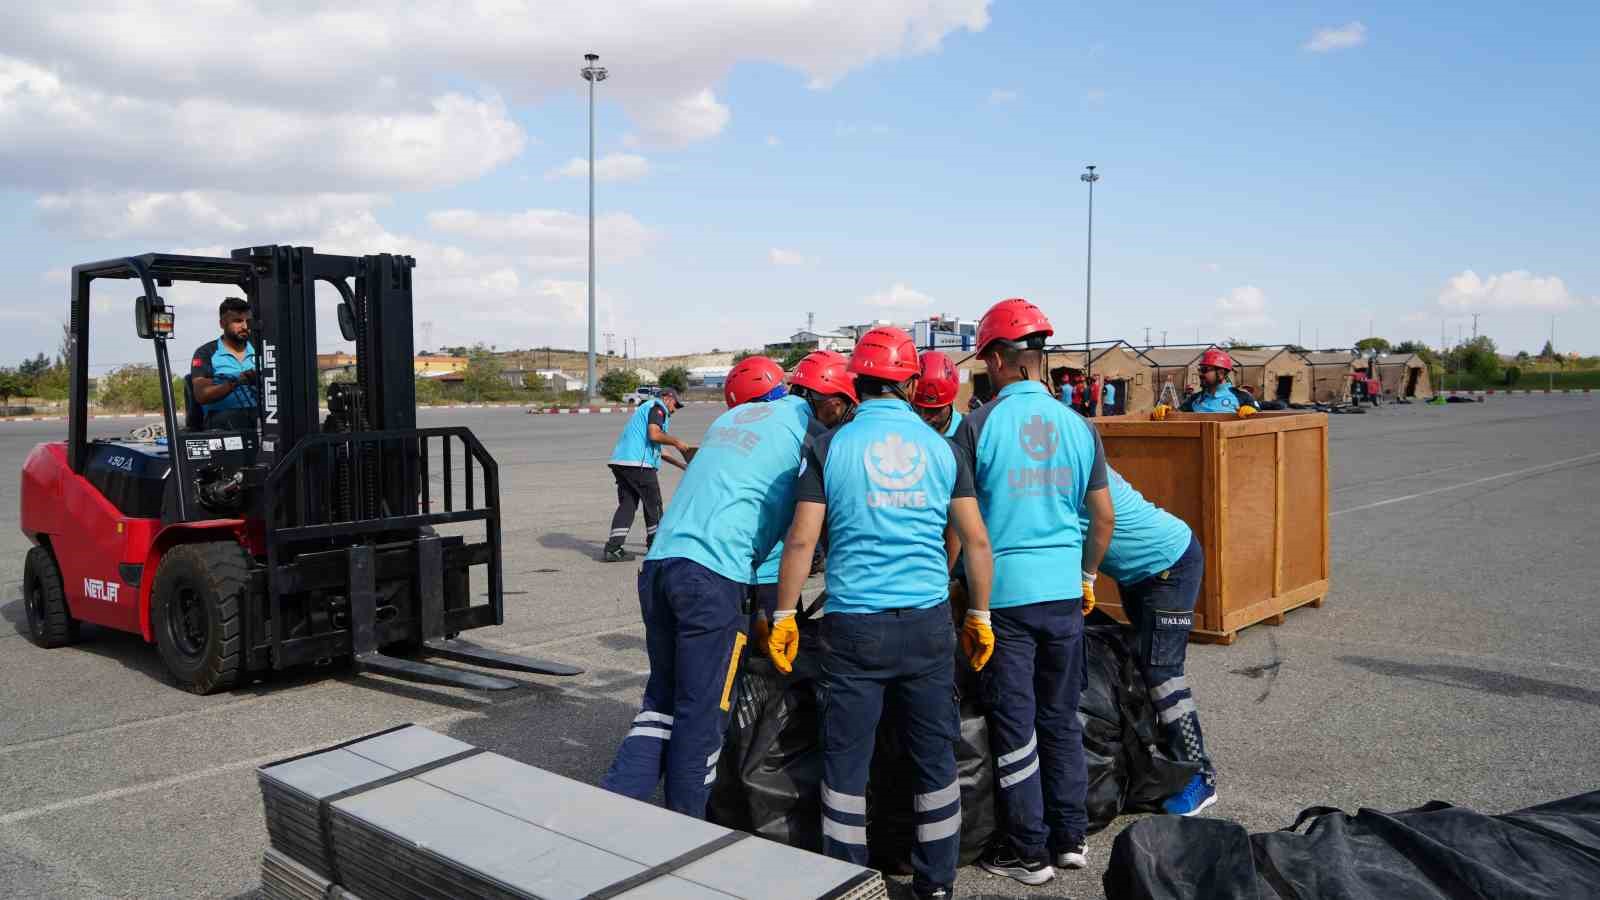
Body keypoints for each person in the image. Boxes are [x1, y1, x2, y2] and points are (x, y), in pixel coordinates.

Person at [766, 327, 996, 900]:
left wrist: (784, 615)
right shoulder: (942, 449)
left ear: (856, 381)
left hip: (853, 629)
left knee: (846, 765)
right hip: (926, 625)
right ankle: (935, 883)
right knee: (934, 761)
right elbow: (975, 540)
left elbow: (801, 542)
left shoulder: (828, 447)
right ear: (912, 383)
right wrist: (981, 616)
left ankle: (846, 882)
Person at [600, 356, 811, 819]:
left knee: (661, 701)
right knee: (703, 712)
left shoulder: (728, 421)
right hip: (713, 577)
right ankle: (687, 832)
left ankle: (607, 818)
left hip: (660, 567)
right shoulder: (807, 423)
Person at [951, 297, 1115, 885]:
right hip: (1064, 595)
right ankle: (1069, 838)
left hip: (1005, 598)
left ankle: (1028, 851)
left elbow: (963, 528)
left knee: (1015, 723)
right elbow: (1102, 520)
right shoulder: (1079, 425)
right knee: (1061, 716)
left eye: (984, 362)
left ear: (999, 358)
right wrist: (1087, 576)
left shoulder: (977, 425)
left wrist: (968, 600)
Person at [1087, 466, 1218, 816]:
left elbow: (1102, 521)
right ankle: (1153, 761)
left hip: (1169, 566)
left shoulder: (1068, 459)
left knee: (1162, 674)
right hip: (1136, 574)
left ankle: (1199, 775)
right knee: (1136, 661)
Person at [749, 349, 858, 635]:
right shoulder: (814, 438)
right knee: (778, 664)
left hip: (735, 566)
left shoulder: (762, 417)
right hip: (771, 570)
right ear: (834, 404)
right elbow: (810, 531)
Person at [601, 387, 689, 562]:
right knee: (654, 505)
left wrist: (681, 464)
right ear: (667, 398)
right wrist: (677, 442)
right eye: (675, 405)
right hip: (638, 466)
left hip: (622, 463)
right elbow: (654, 435)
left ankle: (613, 548)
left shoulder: (645, 410)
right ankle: (656, 546)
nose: (674, 410)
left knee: (627, 505)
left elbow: (659, 449)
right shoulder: (657, 408)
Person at [190, 297, 259, 430]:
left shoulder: (263, 348)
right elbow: (202, 395)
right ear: (222, 324)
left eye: (248, 321)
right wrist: (236, 382)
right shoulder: (206, 353)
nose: (245, 326)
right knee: (237, 419)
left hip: (259, 415)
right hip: (221, 420)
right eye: (238, 321)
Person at [1153, 349, 1257, 419]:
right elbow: (1179, 415)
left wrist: (1254, 412)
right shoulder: (1194, 399)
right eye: (1200, 370)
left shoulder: (1242, 397)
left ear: (1220, 373)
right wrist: (1168, 412)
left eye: (1204, 370)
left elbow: (1260, 420)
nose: (1200, 374)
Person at [912, 350, 963, 437]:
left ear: (950, 402)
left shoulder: (965, 434)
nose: (924, 417)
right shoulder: (908, 431)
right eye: (918, 408)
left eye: (934, 411)